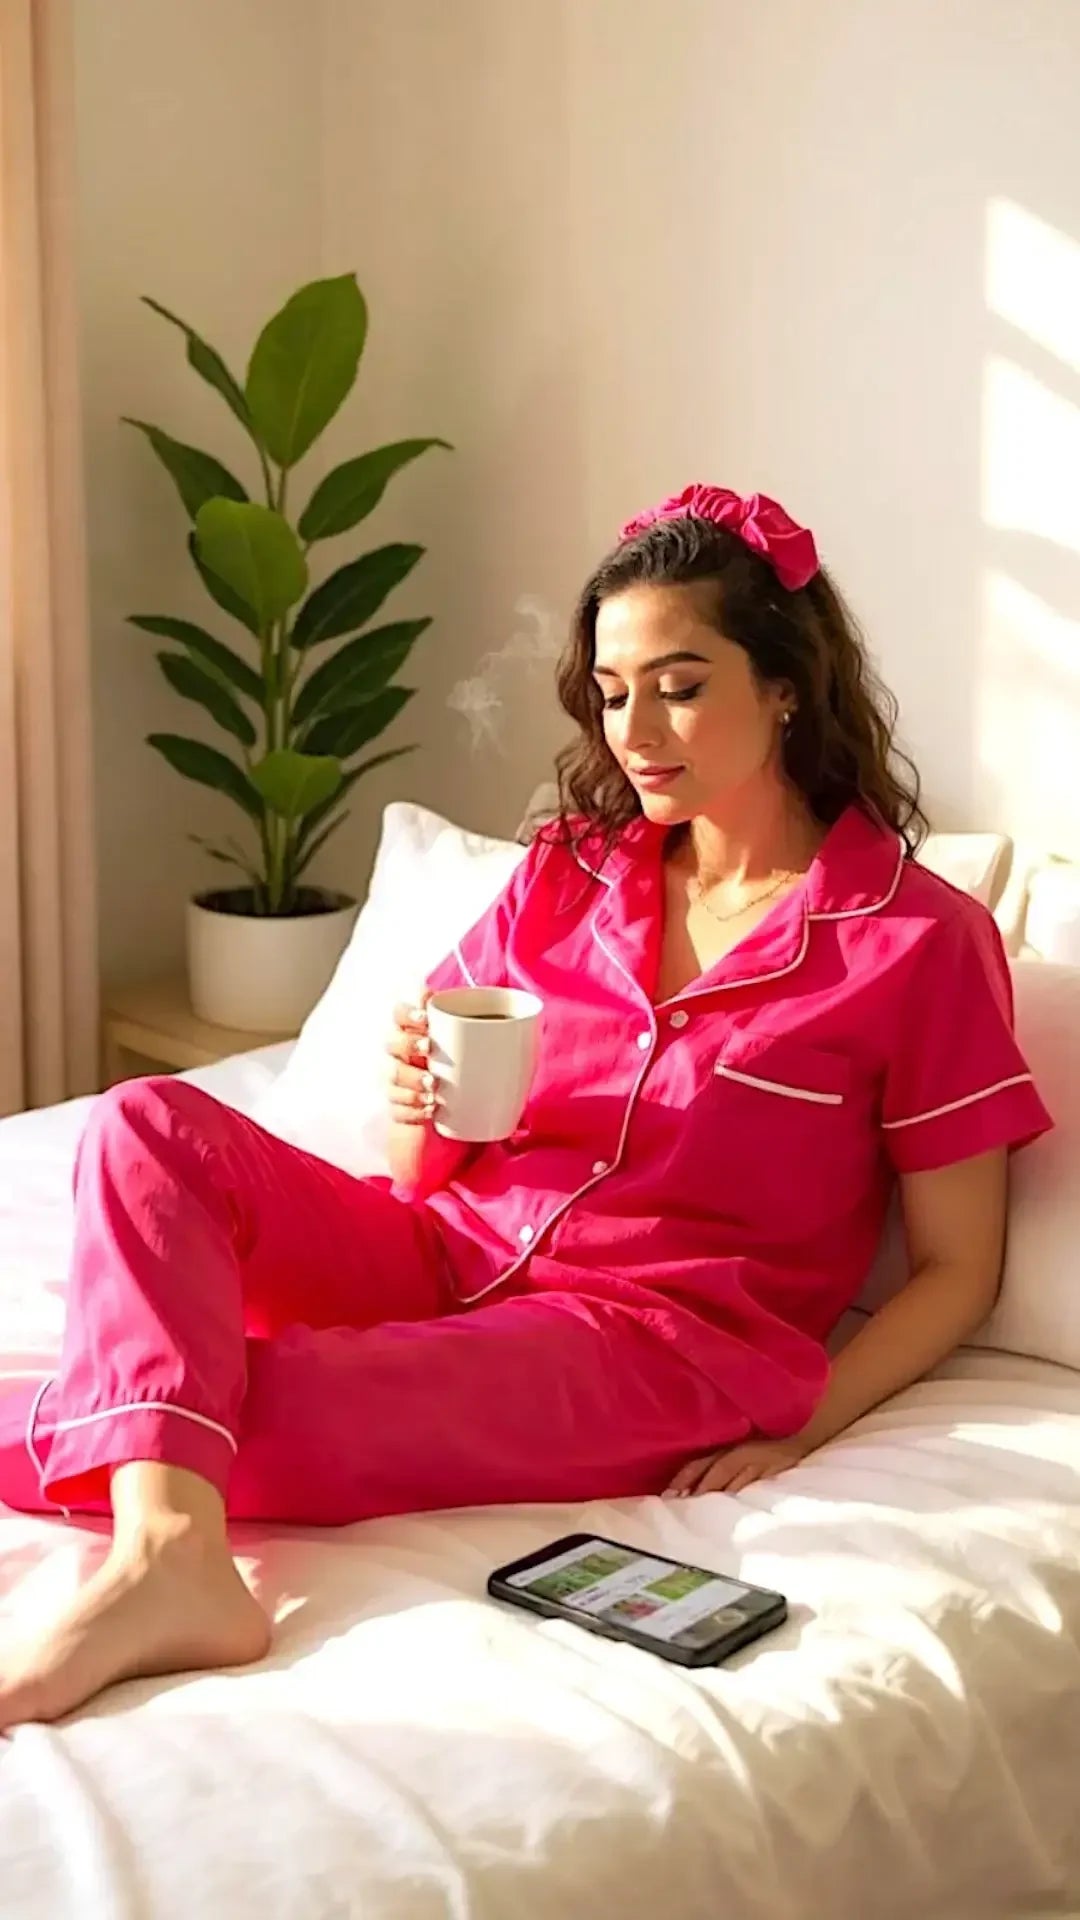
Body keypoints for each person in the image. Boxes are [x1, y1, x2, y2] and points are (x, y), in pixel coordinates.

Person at [0, 482, 1051, 1728]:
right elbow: (437, 1153)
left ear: (786, 685)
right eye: (612, 692)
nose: (637, 730)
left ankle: (154, 1517)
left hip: (652, 1344)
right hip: (448, 1246)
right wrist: (421, 1101)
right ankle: (170, 1550)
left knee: (269, 1404)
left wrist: (805, 1426)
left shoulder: (917, 939)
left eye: (680, 681)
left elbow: (958, 1267)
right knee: (145, 1123)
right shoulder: (567, 876)